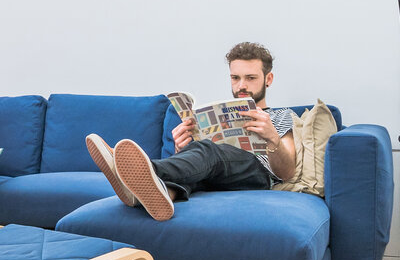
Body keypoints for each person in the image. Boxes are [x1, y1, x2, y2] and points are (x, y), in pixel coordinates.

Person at [86, 41, 296, 221]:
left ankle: (142, 170)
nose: (241, 85)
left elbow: (287, 172)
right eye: (235, 78)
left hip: (255, 175)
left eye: (250, 78)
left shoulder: (279, 116)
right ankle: (159, 193)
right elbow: (201, 159)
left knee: (209, 151)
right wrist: (182, 148)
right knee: (198, 167)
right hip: (217, 171)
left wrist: (272, 139)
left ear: (268, 79)